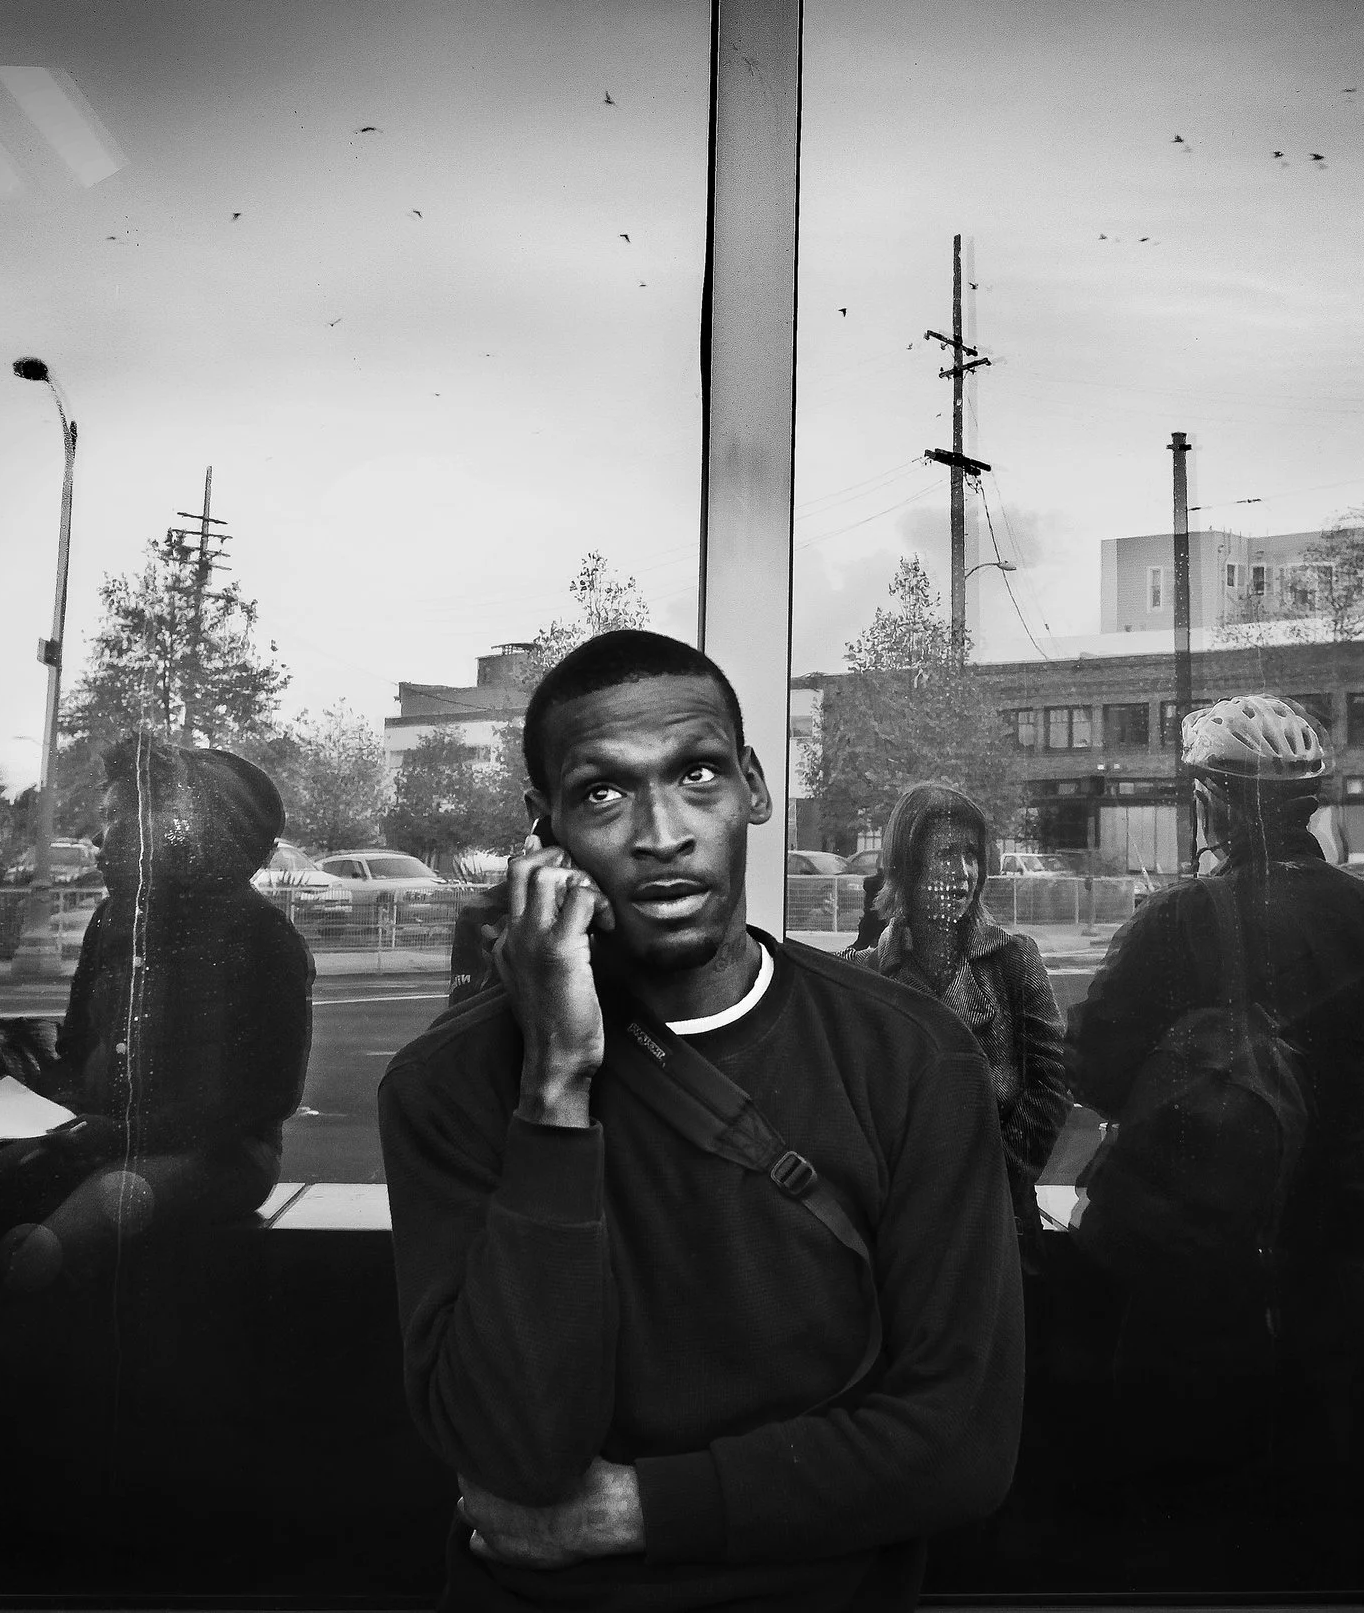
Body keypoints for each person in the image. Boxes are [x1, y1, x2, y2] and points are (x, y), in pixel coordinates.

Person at [376, 630, 1024, 1613]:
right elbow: (516, 1451)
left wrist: (638, 1507)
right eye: (602, 792)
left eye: (697, 774)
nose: (660, 830)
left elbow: (961, 1442)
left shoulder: (911, 1054)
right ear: (543, 828)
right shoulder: (447, 1085)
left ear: (754, 786)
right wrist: (555, 1081)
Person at [0, 737, 313, 1563]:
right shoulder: (117, 922)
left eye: (131, 818)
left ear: (205, 832)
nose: (105, 834)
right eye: (116, 817)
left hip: (216, 1160)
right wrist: (40, 1106)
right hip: (98, 1142)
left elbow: (263, 1099)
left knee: (47, 1254)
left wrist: (115, 1134)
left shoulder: (261, 937)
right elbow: (78, 1048)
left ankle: (2, 1492)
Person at [1068, 694, 1364, 1462]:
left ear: (1213, 802)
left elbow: (1095, 1072)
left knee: (1180, 1492)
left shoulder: (1178, 921)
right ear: (1308, 806)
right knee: (1314, 1492)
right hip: (1335, 1269)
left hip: (1195, 1273)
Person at [843, 782, 1073, 1244]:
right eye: (947, 854)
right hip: (898, 1234)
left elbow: (1050, 1088)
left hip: (996, 1226)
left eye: (973, 855)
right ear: (908, 865)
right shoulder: (862, 975)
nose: (965, 873)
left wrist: (989, 1182)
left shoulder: (1013, 961)